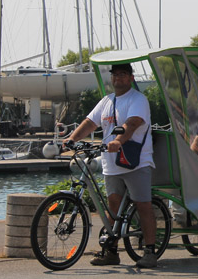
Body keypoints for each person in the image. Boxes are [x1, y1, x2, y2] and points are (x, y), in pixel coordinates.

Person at [63, 63, 158, 268]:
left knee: (143, 205)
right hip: (112, 162)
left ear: (131, 78)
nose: (118, 78)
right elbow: (90, 122)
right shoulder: (107, 100)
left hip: (136, 162)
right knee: (112, 206)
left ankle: (150, 250)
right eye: (115, 75)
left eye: (123, 74)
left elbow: (131, 124)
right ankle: (111, 252)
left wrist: (117, 141)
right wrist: (71, 139)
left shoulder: (138, 100)